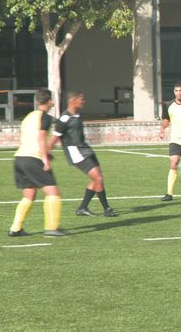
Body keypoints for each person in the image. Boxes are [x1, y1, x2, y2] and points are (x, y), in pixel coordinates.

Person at [8, 89, 66, 237]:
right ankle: (52, 228)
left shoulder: (28, 116)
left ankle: (15, 228)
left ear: (36, 101)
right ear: (50, 102)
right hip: (33, 158)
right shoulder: (44, 117)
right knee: (53, 192)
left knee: (29, 195)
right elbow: (41, 137)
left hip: (20, 158)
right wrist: (45, 158)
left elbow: (22, 137)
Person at [50, 92, 117, 217]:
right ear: (73, 101)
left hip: (86, 149)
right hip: (76, 152)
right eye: (81, 99)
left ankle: (82, 208)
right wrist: (45, 156)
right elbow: (54, 138)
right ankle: (107, 209)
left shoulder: (77, 114)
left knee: (96, 179)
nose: (84, 102)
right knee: (98, 178)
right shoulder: (64, 118)